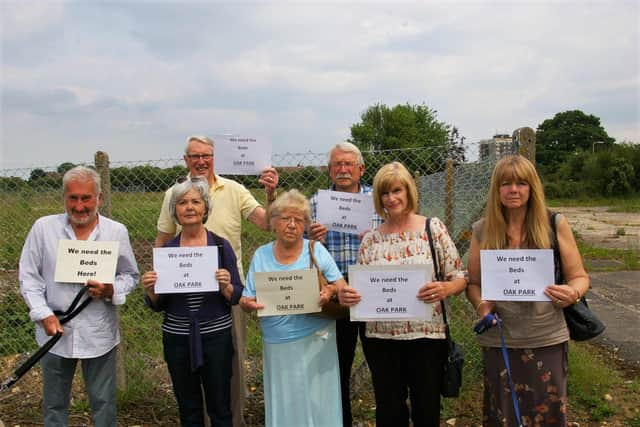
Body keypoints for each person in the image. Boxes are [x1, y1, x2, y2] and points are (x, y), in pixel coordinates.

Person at [155, 135, 278, 427]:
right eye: (194, 156)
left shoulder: (234, 190)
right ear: (185, 160)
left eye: (206, 156)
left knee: (227, 370)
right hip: (184, 298)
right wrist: (160, 279)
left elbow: (266, 223)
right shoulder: (175, 192)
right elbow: (162, 239)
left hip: (226, 292)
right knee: (189, 381)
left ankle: (230, 421)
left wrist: (272, 194)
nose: (200, 161)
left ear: (215, 158)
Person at [339, 161, 466, 427]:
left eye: (397, 190)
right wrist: (350, 297)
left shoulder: (433, 229)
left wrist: (445, 288)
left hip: (427, 336)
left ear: (408, 191)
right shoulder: (371, 239)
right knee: (389, 407)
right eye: (385, 193)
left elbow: (460, 278)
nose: (391, 198)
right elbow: (362, 287)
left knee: (426, 405)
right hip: (380, 338)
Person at [465, 155, 589, 426]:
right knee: (504, 413)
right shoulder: (482, 230)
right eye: (506, 183)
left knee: (548, 412)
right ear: (496, 189)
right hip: (501, 338)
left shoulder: (554, 224)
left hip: (546, 335)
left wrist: (573, 293)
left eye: (521, 183)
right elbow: (473, 283)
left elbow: (579, 277)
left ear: (532, 187)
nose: (513, 190)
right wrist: (481, 305)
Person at [19, 166, 140, 427]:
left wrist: (111, 290)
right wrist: (43, 314)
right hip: (55, 333)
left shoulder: (115, 232)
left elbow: (130, 275)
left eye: (86, 198)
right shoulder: (43, 229)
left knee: (104, 402)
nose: (79, 205)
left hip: (98, 333)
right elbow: (29, 276)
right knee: (54, 404)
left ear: (99, 198)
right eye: (73, 198)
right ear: (64, 198)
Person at [239, 189, 346, 427]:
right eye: (285, 218)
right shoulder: (261, 255)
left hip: (316, 339)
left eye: (298, 219)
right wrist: (247, 304)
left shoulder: (316, 250)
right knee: (285, 398)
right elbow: (246, 299)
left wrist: (329, 291)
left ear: (306, 224)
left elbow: (341, 284)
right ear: (274, 222)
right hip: (277, 341)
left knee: (319, 398)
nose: (291, 224)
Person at [142, 177, 243, 427]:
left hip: (216, 337)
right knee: (188, 409)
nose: (189, 207)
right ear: (174, 210)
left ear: (205, 208)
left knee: (220, 407)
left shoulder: (220, 246)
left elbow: (237, 294)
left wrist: (225, 285)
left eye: (195, 202)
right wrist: (152, 290)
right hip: (177, 338)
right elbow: (157, 304)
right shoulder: (168, 251)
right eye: (182, 202)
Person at [307, 141, 381, 427]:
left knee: (382, 364)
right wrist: (312, 239)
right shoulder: (315, 204)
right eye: (337, 164)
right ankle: (342, 421)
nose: (343, 169)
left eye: (349, 163)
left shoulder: (378, 201)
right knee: (337, 365)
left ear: (361, 169)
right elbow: (300, 250)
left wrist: (374, 235)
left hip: (373, 288)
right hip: (336, 292)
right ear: (329, 170)